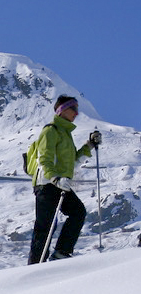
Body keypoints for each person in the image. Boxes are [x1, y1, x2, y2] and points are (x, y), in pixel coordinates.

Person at [28, 95, 101, 264]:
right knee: (45, 227)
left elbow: (73, 161)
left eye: (77, 109)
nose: (77, 113)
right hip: (46, 184)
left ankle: (61, 253)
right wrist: (54, 178)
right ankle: (34, 266)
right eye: (73, 108)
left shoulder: (66, 135)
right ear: (62, 111)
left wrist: (89, 145)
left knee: (78, 212)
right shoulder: (50, 131)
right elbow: (43, 158)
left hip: (61, 184)